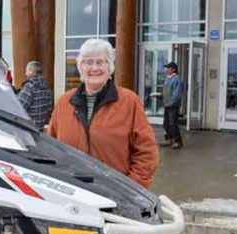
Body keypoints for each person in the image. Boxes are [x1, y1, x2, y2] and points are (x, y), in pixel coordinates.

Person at [47, 39, 158, 189]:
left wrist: (131, 188)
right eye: (88, 62)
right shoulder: (64, 103)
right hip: (72, 193)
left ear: (110, 67)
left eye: (101, 62)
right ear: (81, 67)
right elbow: (51, 147)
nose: (94, 68)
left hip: (116, 194)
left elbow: (146, 152)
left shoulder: (129, 101)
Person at [17, 60, 53, 130]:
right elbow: (49, 108)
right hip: (40, 128)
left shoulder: (29, 86)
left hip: (28, 128)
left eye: (26, 71)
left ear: (32, 71)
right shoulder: (47, 87)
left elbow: (19, 106)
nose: (25, 73)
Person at [159, 62, 183, 149]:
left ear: (173, 69)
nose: (167, 70)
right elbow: (166, 92)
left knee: (173, 123)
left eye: (168, 68)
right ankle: (168, 139)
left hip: (173, 106)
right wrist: (161, 96)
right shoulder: (168, 79)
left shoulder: (177, 79)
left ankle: (177, 141)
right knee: (166, 123)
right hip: (167, 104)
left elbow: (177, 95)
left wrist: (169, 102)